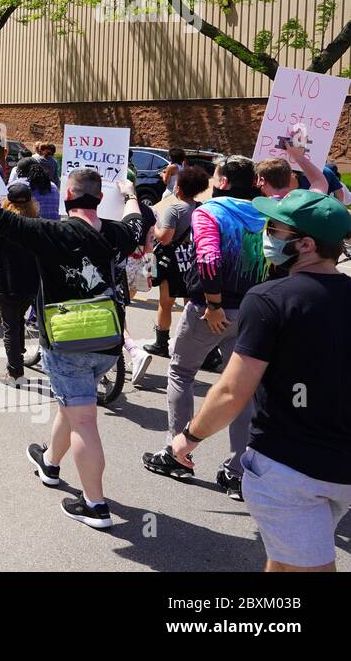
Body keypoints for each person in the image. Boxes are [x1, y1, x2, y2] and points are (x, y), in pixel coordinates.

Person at [0, 158, 144, 531]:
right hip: (107, 339)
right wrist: (131, 193)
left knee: (84, 419)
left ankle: (96, 505)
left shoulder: (51, 233)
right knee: (72, 403)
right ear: (100, 197)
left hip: (68, 339)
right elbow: (137, 219)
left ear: (68, 195)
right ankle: (50, 464)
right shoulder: (118, 232)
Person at [168, 190, 351, 571]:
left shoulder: (270, 299)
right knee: (284, 559)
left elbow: (233, 391)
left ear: (305, 244)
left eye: (275, 228)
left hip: (289, 469)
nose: (266, 234)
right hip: (338, 466)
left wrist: (189, 437)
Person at [142, 156, 269, 499]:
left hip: (210, 309)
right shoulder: (265, 213)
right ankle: (238, 470)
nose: (212, 180)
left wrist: (213, 304)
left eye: (216, 175)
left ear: (224, 182)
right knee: (241, 388)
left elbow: (209, 259)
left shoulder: (210, 212)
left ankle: (177, 453)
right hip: (252, 308)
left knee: (182, 372)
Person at [134, 165, 211, 386]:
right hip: (191, 259)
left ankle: (161, 341)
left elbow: (165, 238)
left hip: (173, 261)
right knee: (192, 303)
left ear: (179, 187)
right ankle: (196, 346)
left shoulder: (174, 208)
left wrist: (155, 226)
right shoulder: (201, 207)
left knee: (166, 302)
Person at [0, 182, 41, 387]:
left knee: (10, 325)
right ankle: (18, 355)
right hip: (30, 282)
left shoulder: (4, 224)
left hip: (8, 282)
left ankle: (15, 371)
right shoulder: (36, 222)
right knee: (18, 320)